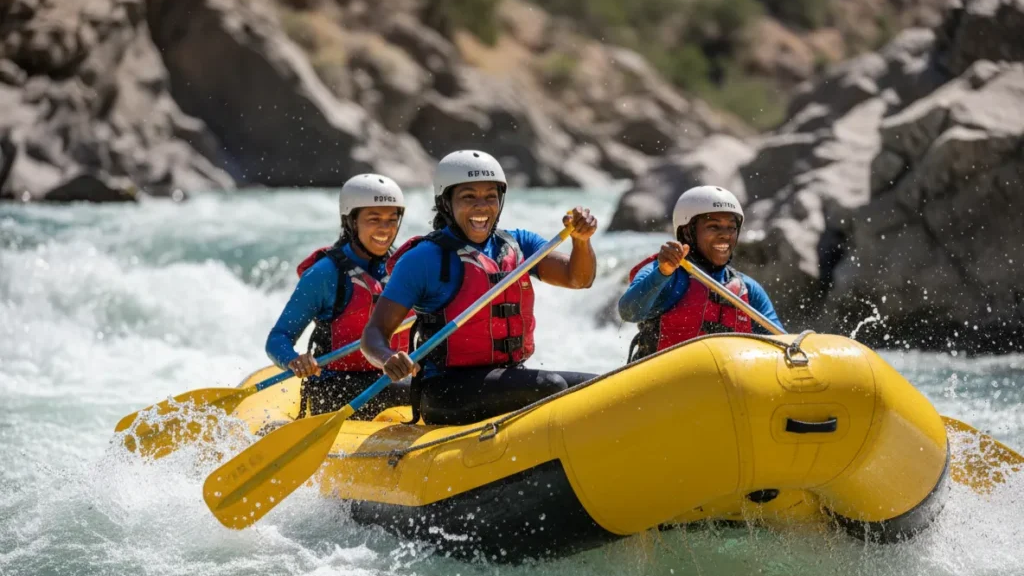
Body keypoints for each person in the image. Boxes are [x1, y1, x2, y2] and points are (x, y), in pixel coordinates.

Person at [361, 150, 599, 425]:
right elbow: (374, 333)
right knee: (550, 385)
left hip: (506, 378)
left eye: (490, 196)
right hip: (446, 391)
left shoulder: (518, 244)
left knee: (598, 387)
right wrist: (388, 358)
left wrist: (581, 241)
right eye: (468, 197)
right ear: (446, 203)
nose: (482, 206)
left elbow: (578, 279)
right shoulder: (423, 259)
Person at [266, 174, 411, 419]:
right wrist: (293, 360)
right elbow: (278, 338)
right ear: (352, 221)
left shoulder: (405, 266)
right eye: (374, 219)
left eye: (392, 219)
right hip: (337, 387)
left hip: (392, 379)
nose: (385, 229)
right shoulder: (325, 274)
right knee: (411, 391)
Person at [619, 185, 784, 362]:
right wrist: (662, 272)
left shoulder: (748, 289)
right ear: (687, 233)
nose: (725, 235)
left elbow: (782, 345)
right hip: (665, 382)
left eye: (731, 228)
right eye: (713, 227)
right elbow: (629, 312)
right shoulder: (666, 274)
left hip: (727, 385)